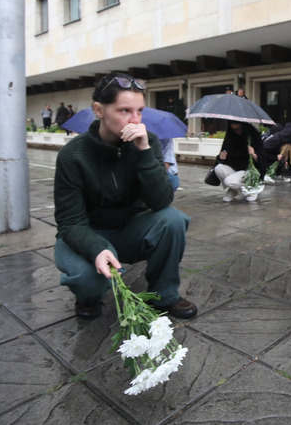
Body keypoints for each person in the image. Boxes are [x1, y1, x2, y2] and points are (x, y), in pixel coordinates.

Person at [53, 72, 197, 321]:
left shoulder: (146, 141)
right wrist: (96, 249)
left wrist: (143, 151)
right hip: (87, 233)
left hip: (129, 230)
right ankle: (88, 294)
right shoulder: (72, 155)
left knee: (173, 220)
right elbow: (70, 222)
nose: (135, 120)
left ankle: (165, 295)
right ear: (99, 110)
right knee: (88, 279)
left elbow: (161, 202)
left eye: (139, 111)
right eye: (124, 111)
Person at [212, 121, 264, 202]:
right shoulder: (231, 137)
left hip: (249, 171)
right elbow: (223, 154)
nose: (237, 131)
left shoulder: (253, 136)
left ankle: (252, 188)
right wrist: (222, 157)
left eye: (239, 129)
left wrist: (254, 154)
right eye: (234, 130)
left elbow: (263, 160)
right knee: (218, 168)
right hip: (235, 168)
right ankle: (233, 190)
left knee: (228, 181)